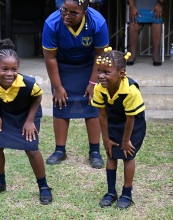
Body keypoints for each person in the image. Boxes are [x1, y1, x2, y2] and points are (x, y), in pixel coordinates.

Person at [0, 38, 52, 205]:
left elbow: (37, 97)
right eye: (4, 69)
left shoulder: (28, 84)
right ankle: (0, 182)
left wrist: (30, 121)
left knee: (31, 148)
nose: (9, 73)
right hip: (6, 113)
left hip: (28, 114)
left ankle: (43, 187)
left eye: (14, 69)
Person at [42, 0, 109, 168]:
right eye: (64, 10)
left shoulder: (98, 23)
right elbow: (50, 58)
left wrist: (93, 82)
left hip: (90, 65)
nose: (67, 15)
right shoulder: (52, 23)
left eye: (73, 13)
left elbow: (100, 56)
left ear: (84, 13)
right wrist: (57, 87)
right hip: (62, 65)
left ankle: (94, 151)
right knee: (61, 104)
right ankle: (59, 150)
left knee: (92, 105)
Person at [92, 47, 146, 209]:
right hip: (113, 121)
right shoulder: (99, 87)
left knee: (127, 155)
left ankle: (127, 194)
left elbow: (131, 118)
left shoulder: (130, 90)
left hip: (133, 126)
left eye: (107, 72)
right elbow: (102, 115)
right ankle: (111, 192)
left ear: (121, 73)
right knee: (111, 154)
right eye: (99, 71)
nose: (101, 76)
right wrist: (106, 139)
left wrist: (125, 140)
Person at [126, 0, 164, 66]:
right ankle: (132, 54)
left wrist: (160, 4)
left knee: (157, 22)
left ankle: (156, 55)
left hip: (155, 5)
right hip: (137, 6)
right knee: (134, 22)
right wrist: (132, 7)